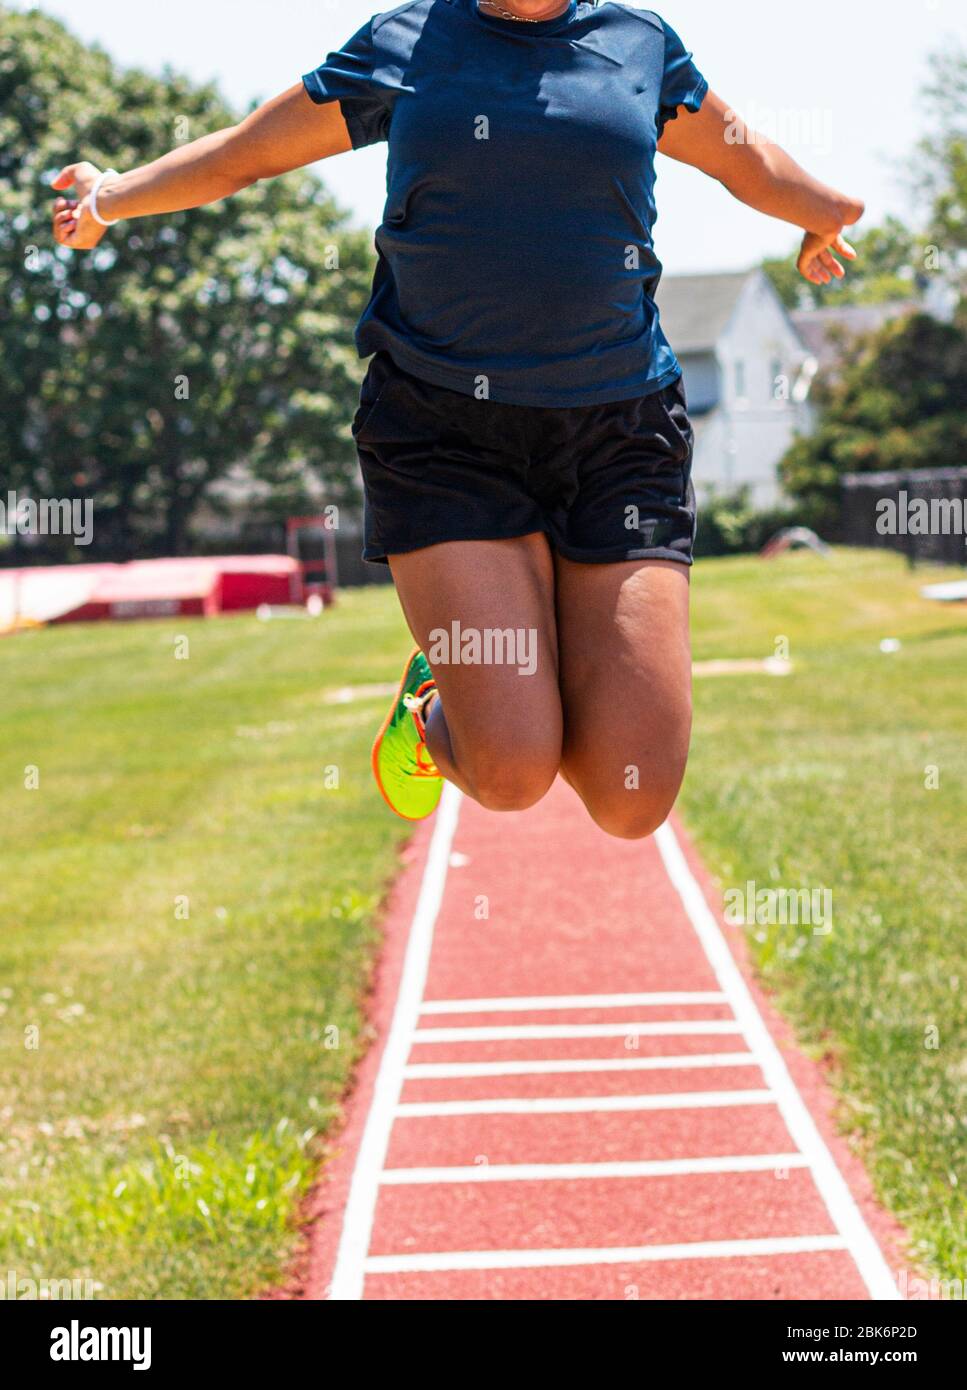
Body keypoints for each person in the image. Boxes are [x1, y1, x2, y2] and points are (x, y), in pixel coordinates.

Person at [52, 1, 864, 834]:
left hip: (620, 434)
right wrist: (108, 200)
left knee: (631, 797)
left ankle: (516, 665)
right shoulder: (405, 43)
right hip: (444, 430)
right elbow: (242, 158)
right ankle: (433, 705)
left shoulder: (639, 44)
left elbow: (743, 158)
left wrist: (819, 212)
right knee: (510, 772)